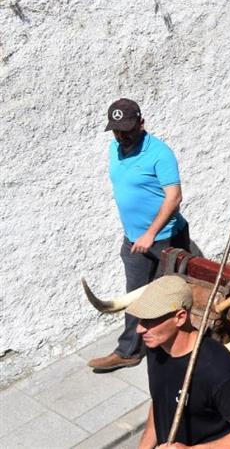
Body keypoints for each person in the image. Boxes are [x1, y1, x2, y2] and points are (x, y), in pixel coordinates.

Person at [88, 99, 191, 374]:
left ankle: (175, 352)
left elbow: (174, 197)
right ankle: (129, 352)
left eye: (127, 130)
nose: (122, 136)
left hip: (166, 240)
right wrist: (137, 235)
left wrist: (150, 234)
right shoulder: (115, 149)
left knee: (166, 298)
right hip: (133, 241)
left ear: (141, 124)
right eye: (117, 131)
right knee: (134, 297)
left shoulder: (160, 153)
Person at [130, 275, 230, 448]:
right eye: (140, 320)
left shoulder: (217, 369)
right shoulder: (156, 347)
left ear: (180, 317)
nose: (139, 329)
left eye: (149, 320)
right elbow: (160, 401)